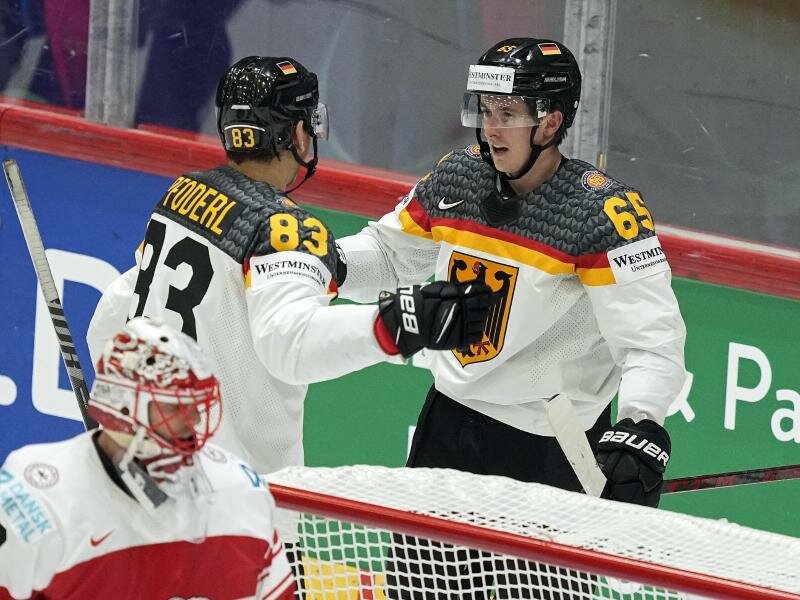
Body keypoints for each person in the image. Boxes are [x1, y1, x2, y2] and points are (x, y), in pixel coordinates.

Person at [336, 38, 687, 598]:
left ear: (550, 123)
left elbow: (652, 344)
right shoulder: (460, 178)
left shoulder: (602, 214)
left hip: (550, 443)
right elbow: (385, 255)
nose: (490, 129)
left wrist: (641, 425)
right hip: (448, 427)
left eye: (509, 114)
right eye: (485, 111)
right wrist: (320, 262)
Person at [87, 56, 490, 501]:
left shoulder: (182, 196)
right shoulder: (285, 230)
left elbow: (110, 317)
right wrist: (403, 323)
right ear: (296, 132)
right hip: (239, 503)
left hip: (154, 469)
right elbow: (290, 345)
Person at [0, 317, 296, 599]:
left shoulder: (241, 493)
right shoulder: (37, 504)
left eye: (195, 405)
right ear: (123, 407)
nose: (192, 418)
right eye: (174, 407)